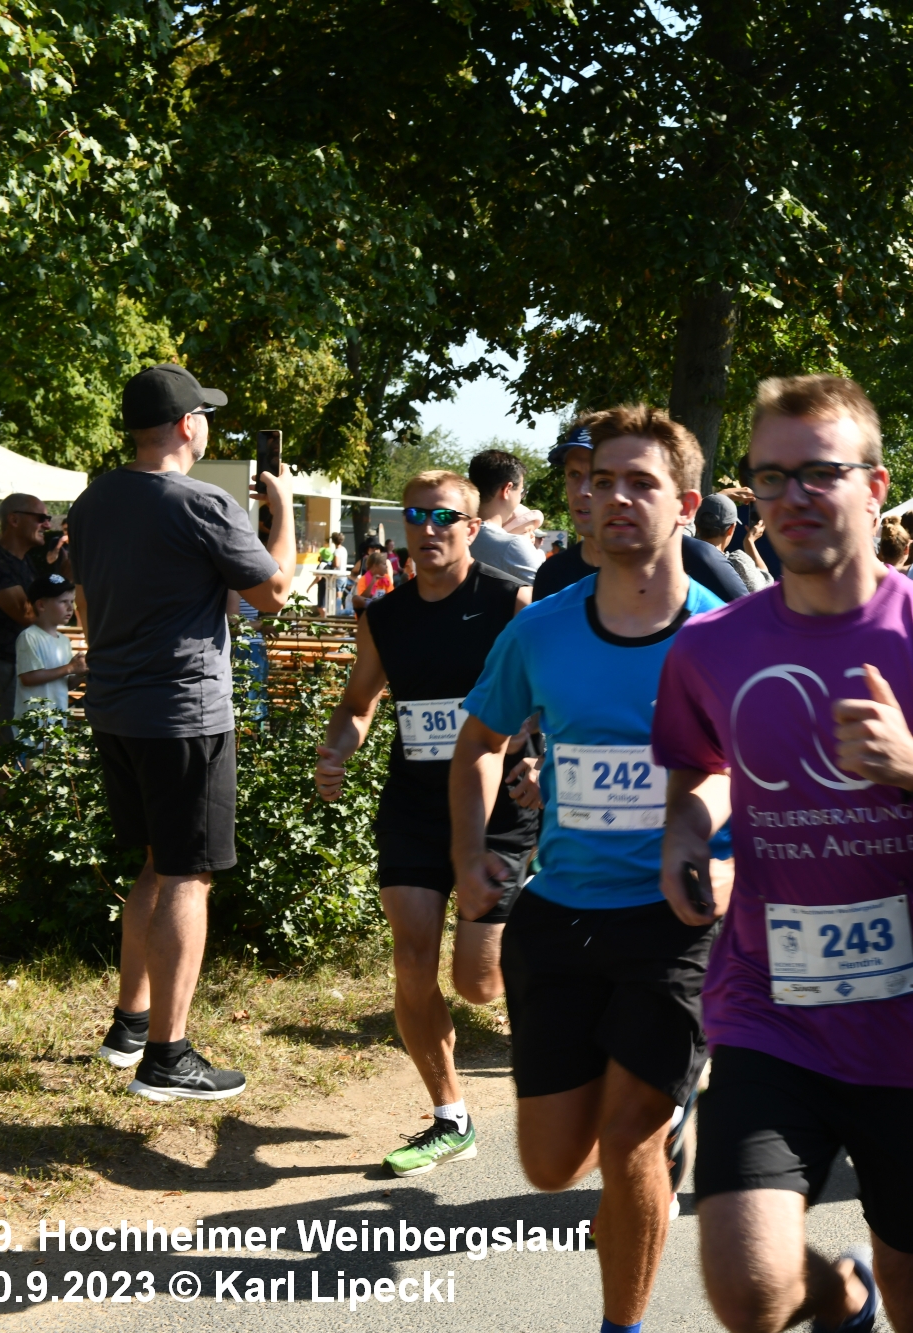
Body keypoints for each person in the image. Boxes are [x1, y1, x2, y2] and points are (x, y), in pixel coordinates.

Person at [648, 374, 913, 1333]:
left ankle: (877, 1295)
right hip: (768, 1015)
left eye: (819, 473)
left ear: (876, 488)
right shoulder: (710, 648)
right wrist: (687, 835)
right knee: (748, 1286)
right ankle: (840, 1298)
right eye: (771, 476)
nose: (791, 496)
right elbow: (700, 772)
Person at [452, 406, 729, 1333]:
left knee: (629, 1140)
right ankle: (665, 1116)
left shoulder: (725, 638)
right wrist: (470, 856)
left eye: (642, 482)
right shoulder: (541, 631)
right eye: (601, 480)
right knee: (549, 1163)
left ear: (685, 504)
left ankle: (623, 1323)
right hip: (561, 913)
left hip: (674, 921)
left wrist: (722, 855)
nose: (615, 497)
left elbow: (769, 774)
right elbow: (479, 743)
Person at [71, 362, 296, 1099]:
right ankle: (168, 1057)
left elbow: (85, 605)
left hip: (116, 707)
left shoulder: (93, 500)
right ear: (185, 424)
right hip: (184, 714)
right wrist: (284, 511)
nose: (207, 428)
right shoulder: (203, 502)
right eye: (204, 416)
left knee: (155, 863)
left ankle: (129, 1027)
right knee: (186, 875)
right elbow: (274, 593)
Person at [313, 470, 537, 1177]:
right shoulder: (385, 615)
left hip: (499, 808)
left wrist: (541, 756)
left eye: (444, 516)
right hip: (413, 805)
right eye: (415, 515)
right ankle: (450, 1116)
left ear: (472, 528)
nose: (428, 528)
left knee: (479, 983)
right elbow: (358, 703)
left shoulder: (510, 602)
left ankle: (549, 955)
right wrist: (337, 750)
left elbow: (549, 697)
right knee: (411, 958)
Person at [533, 423, 748, 606]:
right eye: (574, 474)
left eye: (599, 478)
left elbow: (755, 631)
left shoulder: (701, 559)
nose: (583, 491)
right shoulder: (551, 575)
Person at [0, 492, 49, 743]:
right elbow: (26, 614)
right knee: (11, 749)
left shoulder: (23, 562)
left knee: (27, 749)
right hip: (5, 667)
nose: (47, 525)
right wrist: (58, 603)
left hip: (24, 665)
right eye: (41, 518)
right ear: (14, 519)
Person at [13, 573, 86, 723]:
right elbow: (28, 678)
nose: (70, 607)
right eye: (63, 601)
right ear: (41, 605)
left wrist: (81, 673)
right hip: (33, 724)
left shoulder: (64, 641)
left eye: (72, 601)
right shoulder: (29, 636)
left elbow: (66, 683)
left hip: (56, 722)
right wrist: (70, 668)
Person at [465, 448, 545, 583]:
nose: (520, 498)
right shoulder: (513, 546)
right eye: (521, 492)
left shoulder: (455, 536)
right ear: (507, 489)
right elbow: (547, 593)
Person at [694, 492, 771, 595]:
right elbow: (765, 586)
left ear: (697, 527)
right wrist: (749, 542)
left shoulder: (683, 555)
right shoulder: (738, 563)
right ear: (731, 529)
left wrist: (724, 493)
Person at [351, 547, 395, 614]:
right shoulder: (363, 579)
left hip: (383, 606)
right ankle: (375, 608)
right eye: (384, 564)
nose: (386, 567)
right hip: (369, 609)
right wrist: (372, 582)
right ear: (375, 566)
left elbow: (391, 597)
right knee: (356, 599)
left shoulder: (386, 577)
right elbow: (362, 599)